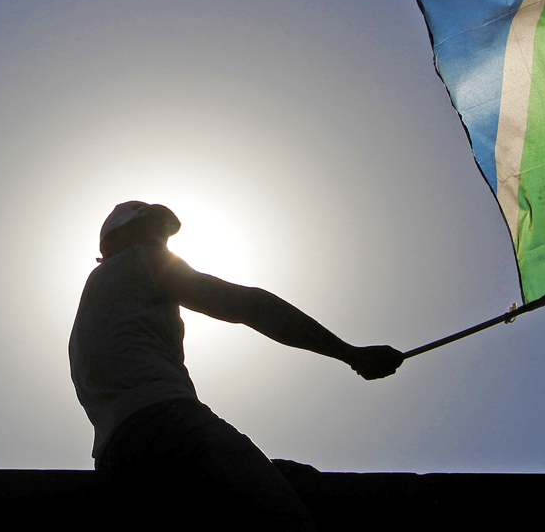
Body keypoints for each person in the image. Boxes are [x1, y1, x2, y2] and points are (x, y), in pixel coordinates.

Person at [68, 201, 405, 529]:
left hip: (116, 458)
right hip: (168, 426)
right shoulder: (140, 261)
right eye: (148, 231)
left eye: (163, 237)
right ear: (116, 240)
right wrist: (352, 355)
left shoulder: (97, 301)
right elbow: (251, 306)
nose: (161, 243)